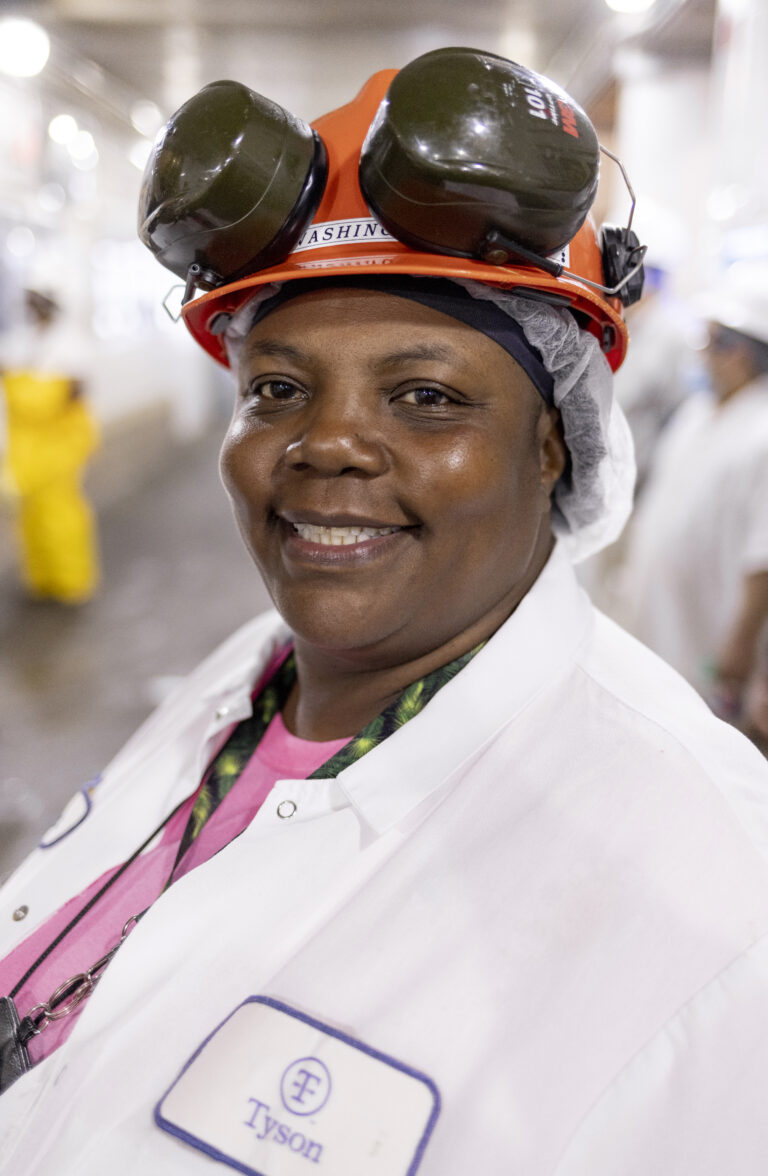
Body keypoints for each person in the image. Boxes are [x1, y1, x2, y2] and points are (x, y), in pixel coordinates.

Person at [1, 48, 768, 1175]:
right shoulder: (247, 685)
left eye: (426, 396)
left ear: (556, 445)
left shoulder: (718, 898)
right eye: (277, 387)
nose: (327, 445)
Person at [619, 274, 768, 728]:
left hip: (707, 636)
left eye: (712, 341)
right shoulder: (697, 413)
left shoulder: (762, 432)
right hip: (659, 625)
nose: (702, 353)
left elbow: (762, 556)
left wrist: (739, 647)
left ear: (739, 354)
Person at [0, 289, 100, 603]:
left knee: (59, 510)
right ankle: (42, 578)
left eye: (36, 301)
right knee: (31, 513)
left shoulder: (69, 341)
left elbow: (67, 394)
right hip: (29, 446)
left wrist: (27, 394)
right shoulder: (28, 338)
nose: (30, 307)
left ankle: (71, 581)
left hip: (59, 443)